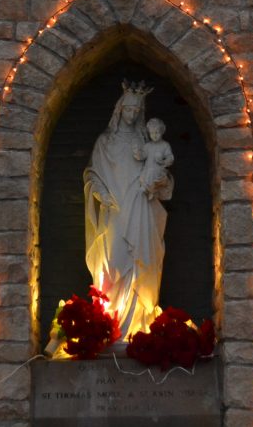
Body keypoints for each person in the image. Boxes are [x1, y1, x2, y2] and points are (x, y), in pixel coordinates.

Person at [83, 81, 172, 338]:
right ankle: (110, 326)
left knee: (141, 262)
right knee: (113, 264)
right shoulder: (104, 142)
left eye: (137, 111)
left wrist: (158, 182)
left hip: (142, 208)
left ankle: (138, 326)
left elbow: (162, 175)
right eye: (128, 109)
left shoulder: (146, 143)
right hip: (115, 210)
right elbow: (91, 174)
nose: (132, 115)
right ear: (119, 109)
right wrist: (100, 192)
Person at [135, 118, 174, 203]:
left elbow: (170, 157)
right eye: (152, 133)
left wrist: (163, 161)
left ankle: (148, 189)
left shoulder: (165, 145)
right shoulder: (148, 145)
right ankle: (149, 190)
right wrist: (138, 154)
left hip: (159, 170)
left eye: (157, 133)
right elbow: (143, 155)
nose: (154, 135)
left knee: (152, 172)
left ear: (162, 132)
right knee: (144, 175)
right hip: (148, 169)